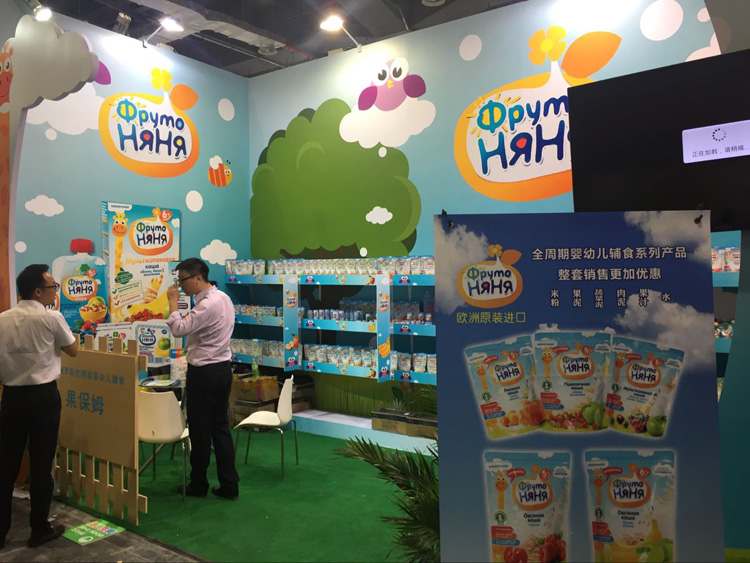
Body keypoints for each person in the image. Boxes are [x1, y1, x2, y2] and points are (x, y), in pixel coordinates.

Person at [0, 264, 79, 548]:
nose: (55, 291)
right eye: (52, 287)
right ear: (37, 291)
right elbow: (73, 350)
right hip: (43, 398)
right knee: (42, 464)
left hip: (11, 398)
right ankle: (39, 529)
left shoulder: (2, 319)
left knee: (6, 465)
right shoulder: (52, 317)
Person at [166, 258, 239, 500]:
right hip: (222, 369)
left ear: (198, 278)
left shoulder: (207, 305)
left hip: (204, 373)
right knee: (219, 426)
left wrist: (173, 303)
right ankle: (229, 484)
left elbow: (178, 329)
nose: (180, 285)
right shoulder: (223, 298)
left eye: (182, 280)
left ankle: (198, 484)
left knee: (199, 429)